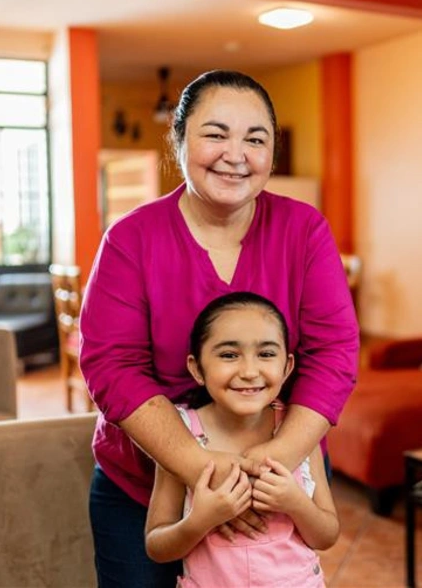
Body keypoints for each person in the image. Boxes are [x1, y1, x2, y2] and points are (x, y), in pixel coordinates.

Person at [80, 70, 358, 587]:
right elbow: (111, 365)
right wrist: (205, 470)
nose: (237, 154)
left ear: (272, 154)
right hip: (144, 485)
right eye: (216, 133)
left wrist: (272, 464)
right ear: (179, 141)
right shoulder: (130, 239)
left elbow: (334, 354)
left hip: (276, 476)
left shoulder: (305, 231)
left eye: (256, 138)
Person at [145, 292, 338, 587]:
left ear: (287, 367)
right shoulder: (181, 435)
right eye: (229, 355)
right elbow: (156, 546)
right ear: (197, 368)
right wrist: (200, 520)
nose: (249, 371)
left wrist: (296, 503)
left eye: (266, 354)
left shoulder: (298, 430)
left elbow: (326, 535)